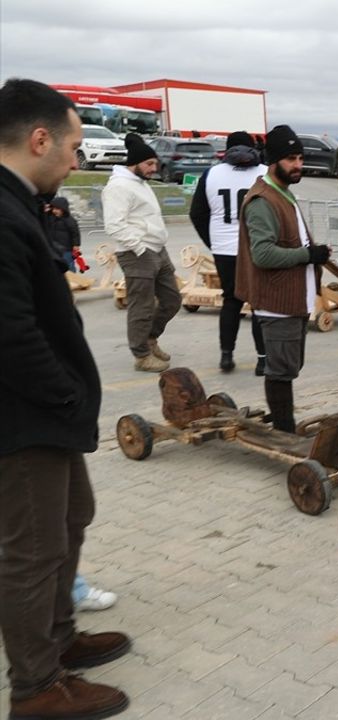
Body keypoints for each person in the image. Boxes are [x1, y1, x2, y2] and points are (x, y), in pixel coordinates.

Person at [0, 77, 131, 720]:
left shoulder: (21, 201)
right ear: (40, 138)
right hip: (24, 420)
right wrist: (62, 394)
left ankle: (58, 642)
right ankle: (35, 688)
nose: (79, 161)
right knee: (31, 550)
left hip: (46, 415)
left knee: (71, 520)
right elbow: (10, 332)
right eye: (75, 147)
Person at [235, 125, 332, 433]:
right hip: (276, 303)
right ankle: (284, 432)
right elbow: (263, 255)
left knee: (288, 368)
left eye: (300, 158)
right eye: (291, 159)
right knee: (280, 372)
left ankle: (284, 425)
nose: (298, 165)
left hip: (292, 299)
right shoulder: (263, 200)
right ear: (273, 160)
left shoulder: (281, 192)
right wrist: (308, 255)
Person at [189, 130, 268, 374]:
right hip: (256, 246)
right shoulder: (264, 173)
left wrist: (213, 242)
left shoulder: (211, 174)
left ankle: (226, 355)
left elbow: (197, 214)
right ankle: (263, 359)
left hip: (224, 248)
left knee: (231, 301)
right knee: (259, 304)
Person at [103, 132, 181, 372]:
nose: (153, 168)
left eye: (155, 164)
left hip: (157, 249)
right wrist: (139, 247)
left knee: (172, 300)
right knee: (142, 307)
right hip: (136, 252)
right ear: (134, 163)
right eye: (149, 164)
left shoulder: (140, 183)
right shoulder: (118, 186)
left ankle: (150, 338)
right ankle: (141, 355)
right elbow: (114, 224)